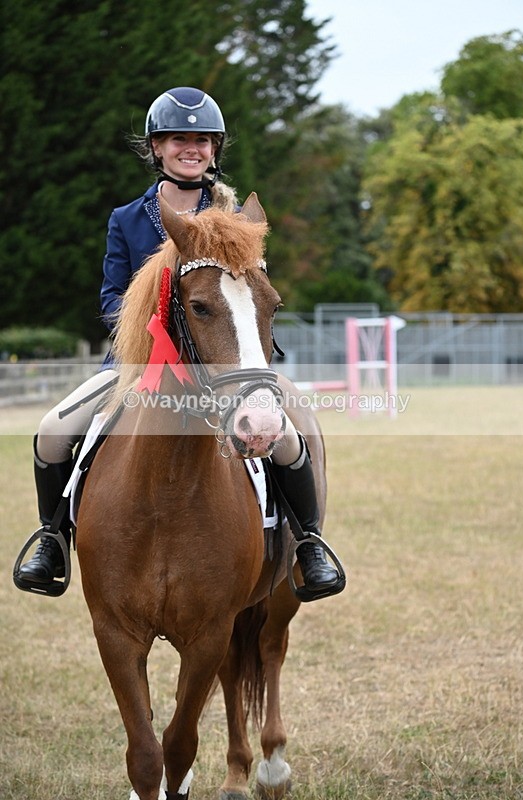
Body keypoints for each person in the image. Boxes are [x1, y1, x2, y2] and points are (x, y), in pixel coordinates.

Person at [17, 87, 341, 598]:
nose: (190, 148)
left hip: (230, 359)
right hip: (136, 363)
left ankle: (309, 543)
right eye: (177, 139)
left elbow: (252, 294)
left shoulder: (237, 218)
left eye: (202, 140)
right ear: (157, 147)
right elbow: (111, 297)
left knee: (289, 435)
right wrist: (152, 339)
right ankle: (52, 537)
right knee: (52, 429)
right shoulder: (126, 219)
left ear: (214, 149)